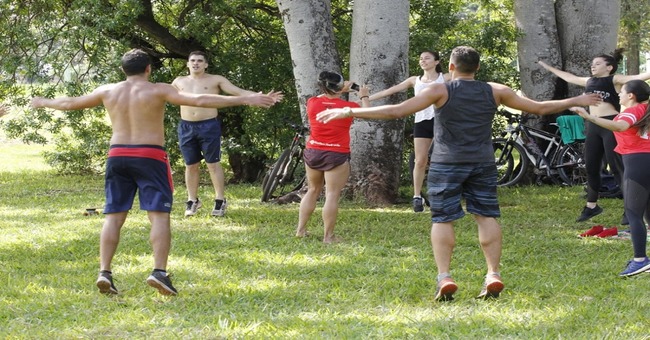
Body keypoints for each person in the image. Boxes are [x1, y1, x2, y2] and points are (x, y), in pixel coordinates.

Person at [317, 46, 601, 301]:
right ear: (477, 68)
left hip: (446, 163)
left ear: (450, 67)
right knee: (485, 215)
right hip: (482, 163)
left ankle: (445, 277)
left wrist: (349, 113)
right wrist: (577, 99)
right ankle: (492, 273)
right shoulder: (494, 90)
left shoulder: (441, 90)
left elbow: (397, 111)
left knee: (443, 218)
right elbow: (538, 107)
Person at [31, 49, 278, 296]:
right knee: (159, 216)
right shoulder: (159, 89)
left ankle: (104, 272)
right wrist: (245, 99)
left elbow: (69, 103)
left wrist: (42, 101)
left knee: (113, 216)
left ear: (122, 70)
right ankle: (159, 272)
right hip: (149, 155)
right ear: (148, 68)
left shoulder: (108, 90)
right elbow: (201, 100)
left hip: (117, 155)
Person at [538, 50, 650, 224]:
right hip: (593, 126)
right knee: (590, 165)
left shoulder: (615, 80)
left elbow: (641, 76)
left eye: (598, 63)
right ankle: (592, 206)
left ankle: (630, 210)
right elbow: (568, 77)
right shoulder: (589, 81)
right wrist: (547, 67)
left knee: (617, 167)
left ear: (609, 67)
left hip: (611, 124)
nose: (593, 66)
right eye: (592, 63)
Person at [172, 51, 283, 217]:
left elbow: (237, 92)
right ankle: (192, 200)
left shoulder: (216, 79)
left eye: (200, 61)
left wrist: (259, 97)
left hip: (209, 126)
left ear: (206, 64)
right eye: (193, 60)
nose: (196, 63)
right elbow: (163, 96)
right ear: (188, 64)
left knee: (213, 163)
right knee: (190, 165)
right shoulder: (179, 81)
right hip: (186, 126)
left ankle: (220, 200)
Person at [570, 80, 650, 276]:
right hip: (643, 160)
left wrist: (588, 116)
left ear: (631, 95)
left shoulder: (633, 111)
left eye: (622, 92)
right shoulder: (644, 109)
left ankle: (640, 260)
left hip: (638, 162)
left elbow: (620, 126)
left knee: (633, 214)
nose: (619, 95)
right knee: (648, 212)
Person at [368, 50, 450, 213]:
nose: (423, 61)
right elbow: (389, 91)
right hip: (421, 122)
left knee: (441, 160)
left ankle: (441, 195)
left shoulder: (446, 78)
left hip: (441, 121)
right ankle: (417, 196)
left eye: (427, 58)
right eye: (420, 58)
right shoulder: (414, 80)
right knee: (420, 160)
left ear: (437, 62)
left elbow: (467, 77)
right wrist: (364, 99)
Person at [296, 71, 369, 244]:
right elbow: (368, 112)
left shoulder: (312, 102)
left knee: (312, 190)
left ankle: (300, 230)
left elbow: (327, 97)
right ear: (339, 87)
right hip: (336, 153)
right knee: (332, 194)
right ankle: (328, 237)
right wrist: (364, 95)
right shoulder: (348, 108)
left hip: (313, 152)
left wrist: (338, 90)